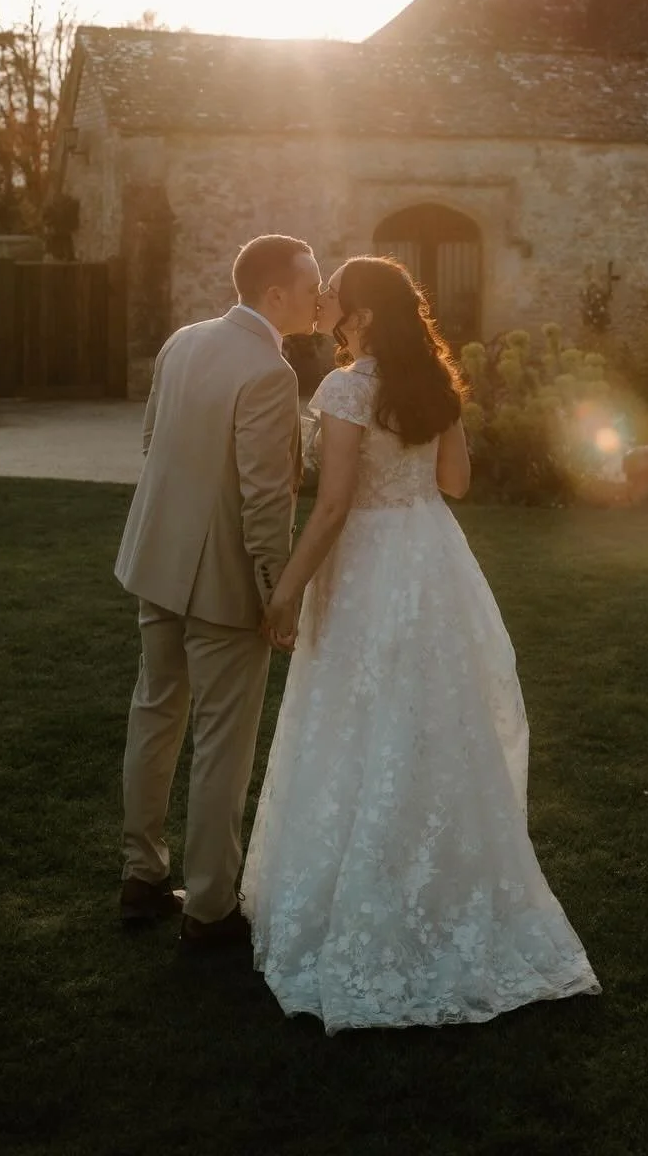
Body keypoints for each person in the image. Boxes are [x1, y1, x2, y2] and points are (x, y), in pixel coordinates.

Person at [241, 255, 599, 1030]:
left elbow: (332, 506)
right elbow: (457, 483)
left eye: (338, 290)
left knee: (356, 716)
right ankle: (439, 881)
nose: (327, 296)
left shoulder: (343, 388)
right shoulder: (432, 385)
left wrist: (286, 588)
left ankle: (368, 898)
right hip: (431, 558)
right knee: (430, 722)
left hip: (370, 562)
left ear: (363, 316)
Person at [114, 234, 321, 948]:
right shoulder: (269, 371)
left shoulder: (183, 341)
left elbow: (151, 442)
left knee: (155, 713)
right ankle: (208, 910)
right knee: (222, 746)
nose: (320, 297)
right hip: (224, 583)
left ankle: (140, 878)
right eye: (311, 285)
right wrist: (278, 592)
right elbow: (268, 501)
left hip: (156, 562)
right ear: (275, 296)